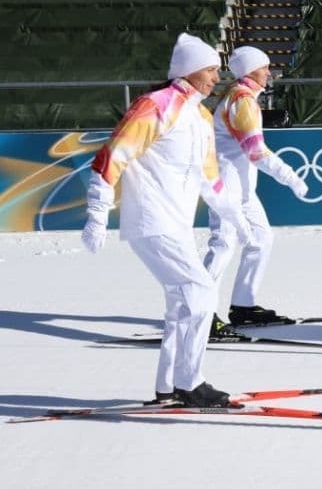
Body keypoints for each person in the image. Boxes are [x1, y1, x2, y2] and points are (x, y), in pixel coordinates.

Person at [81, 33, 252, 407]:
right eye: (209, 69)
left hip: (176, 225)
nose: (215, 77)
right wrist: (97, 215)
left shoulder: (201, 114)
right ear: (190, 70)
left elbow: (210, 177)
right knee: (200, 292)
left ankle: (169, 386)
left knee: (181, 302)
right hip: (152, 222)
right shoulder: (157, 105)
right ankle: (192, 384)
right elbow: (112, 157)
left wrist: (234, 216)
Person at [203, 45, 308, 335]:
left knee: (260, 238)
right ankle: (199, 311)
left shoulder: (245, 97)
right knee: (223, 245)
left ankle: (243, 306)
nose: (269, 72)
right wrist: (290, 177)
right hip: (226, 187)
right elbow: (256, 152)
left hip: (243, 189)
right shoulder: (241, 101)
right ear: (250, 71)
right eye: (264, 67)